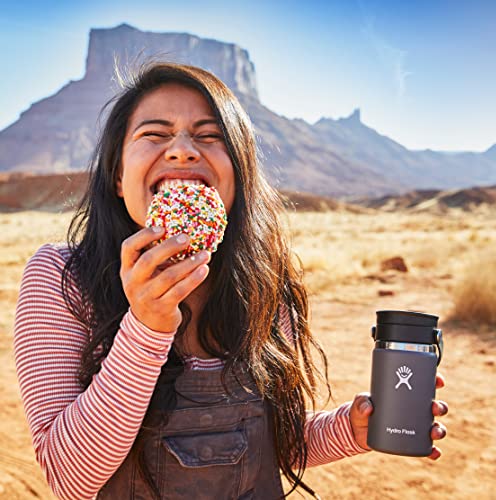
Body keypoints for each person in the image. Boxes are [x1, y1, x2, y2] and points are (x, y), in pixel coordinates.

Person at [14, 62, 448, 500]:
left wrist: (350, 429)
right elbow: (71, 478)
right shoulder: (62, 278)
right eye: (154, 134)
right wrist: (146, 326)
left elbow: (265, 445)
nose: (182, 150)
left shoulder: (263, 282)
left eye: (210, 136)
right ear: (118, 177)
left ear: (237, 177)